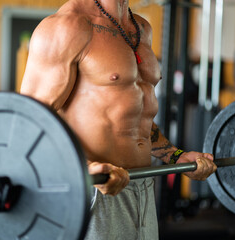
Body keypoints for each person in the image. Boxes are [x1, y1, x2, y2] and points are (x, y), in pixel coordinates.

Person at [20, 0, 217, 239]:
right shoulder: (68, 26)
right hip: (94, 189)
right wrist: (84, 168)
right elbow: (29, 122)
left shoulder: (142, 29)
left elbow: (134, 117)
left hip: (142, 188)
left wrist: (176, 156)